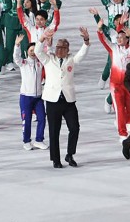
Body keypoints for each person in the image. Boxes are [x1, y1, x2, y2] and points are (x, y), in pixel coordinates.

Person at [35, 26, 90, 168]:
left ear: (67, 50)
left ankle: (70, 154)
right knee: (54, 131)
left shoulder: (71, 59)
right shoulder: (49, 59)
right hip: (53, 100)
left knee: (75, 128)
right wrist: (42, 38)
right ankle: (55, 159)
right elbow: (37, 51)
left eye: (63, 48)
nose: (60, 50)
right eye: (58, 47)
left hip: (68, 100)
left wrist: (86, 40)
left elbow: (82, 54)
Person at [14, 34, 47, 151]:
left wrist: (46, 40)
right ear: (27, 51)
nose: (33, 52)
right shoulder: (24, 63)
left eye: (34, 50)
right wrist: (17, 45)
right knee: (26, 120)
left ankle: (39, 140)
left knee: (42, 118)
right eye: (31, 50)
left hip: (38, 97)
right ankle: (26, 141)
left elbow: (47, 52)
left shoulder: (40, 63)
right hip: (26, 97)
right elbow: (16, 58)